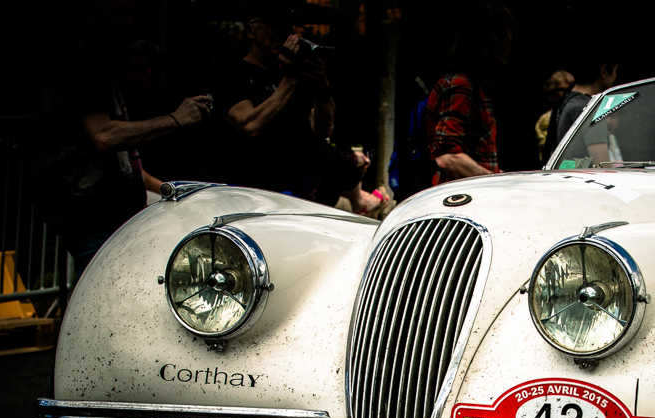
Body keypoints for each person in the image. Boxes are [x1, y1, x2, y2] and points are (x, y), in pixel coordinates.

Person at [55, 34, 212, 275]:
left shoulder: (156, 98)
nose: (148, 73)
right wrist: (166, 188)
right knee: (101, 280)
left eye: (153, 67)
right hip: (106, 205)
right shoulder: (108, 92)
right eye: (140, 66)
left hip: (139, 201)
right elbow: (108, 140)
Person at [216, 4, 385, 214]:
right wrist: (290, 80)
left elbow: (323, 129)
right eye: (272, 26)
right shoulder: (233, 73)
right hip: (244, 194)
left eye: (287, 28)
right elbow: (250, 125)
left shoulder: (293, 73)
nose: (282, 33)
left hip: (292, 194)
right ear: (251, 31)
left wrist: (322, 87)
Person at [426, 1, 516, 185]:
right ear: (492, 40)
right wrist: (496, 182)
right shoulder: (461, 86)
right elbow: (447, 157)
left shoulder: (473, 85)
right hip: (459, 198)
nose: (509, 45)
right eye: (505, 37)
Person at [544, 54, 618, 164]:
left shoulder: (566, 101)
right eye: (616, 71)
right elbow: (602, 165)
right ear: (603, 71)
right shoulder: (591, 109)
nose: (616, 76)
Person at [535, 70, 573, 163]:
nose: (568, 93)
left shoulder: (573, 111)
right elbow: (551, 153)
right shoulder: (547, 119)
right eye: (563, 90)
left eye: (570, 89)